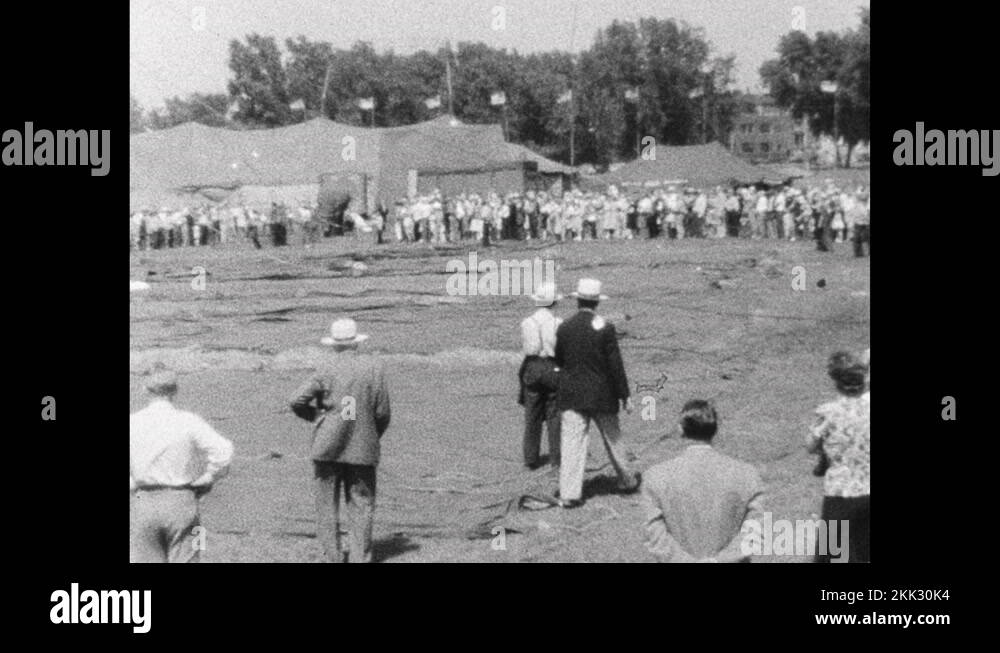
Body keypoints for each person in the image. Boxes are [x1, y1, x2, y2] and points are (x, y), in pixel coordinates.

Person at [289, 319, 391, 563]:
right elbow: (382, 413)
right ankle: (359, 558)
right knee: (362, 505)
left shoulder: (325, 368)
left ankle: (331, 557)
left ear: (334, 344)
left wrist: (317, 417)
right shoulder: (374, 368)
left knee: (326, 507)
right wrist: (369, 434)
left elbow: (295, 401)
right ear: (356, 342)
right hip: (362, 447)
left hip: (327, 446)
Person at [130, 370, 234, 563]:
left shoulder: (133, 422)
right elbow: (223, 450)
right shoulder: (189, 420)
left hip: (141, 502)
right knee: (191, 554)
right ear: (175, 391)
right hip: (183, 502)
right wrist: (209, 476)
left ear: (145, 389)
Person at [640, 400, 764, 562]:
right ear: (715, 429)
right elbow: (755, 534)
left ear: (680, 429)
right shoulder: (747, 475)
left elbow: (655, 537)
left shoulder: (655, 477)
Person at [553, 278, 640, 508]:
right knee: (614, 439)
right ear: (597, 303)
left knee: (572, 444)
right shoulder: (606, 328)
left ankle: (569, 493)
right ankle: (628, 480)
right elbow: (615, 365)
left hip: (572, 393)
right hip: (603, 393)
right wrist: (625, 395)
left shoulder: (564, 327)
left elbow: (559, 360)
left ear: (578, 300)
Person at [807, 351, 870, 563]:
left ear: (836, 383)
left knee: (834, 556)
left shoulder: (828, 412)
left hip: (840, 492)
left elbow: (811, 445)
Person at [517, 282, 563, 470]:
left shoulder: (527, 322)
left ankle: (530, 458)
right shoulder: (558, 323)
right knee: (554, 415)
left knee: (532, 414)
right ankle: (556, 459)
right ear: (554, 303)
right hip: (552, 366)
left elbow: (528, 347)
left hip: (533, 366)